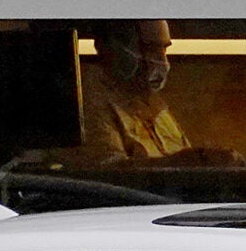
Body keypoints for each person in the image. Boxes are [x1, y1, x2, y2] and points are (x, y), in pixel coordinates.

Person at [80, 20, 190, 161]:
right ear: (113, 47)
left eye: (164, 50)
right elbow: (109, 172)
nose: (163, 62)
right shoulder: (89, 102)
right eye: (151, 50)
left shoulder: (153, 105)